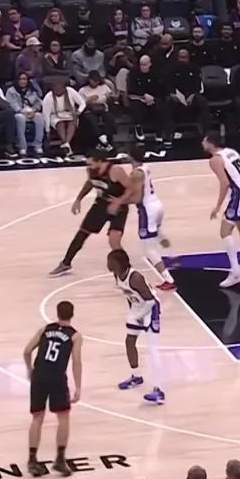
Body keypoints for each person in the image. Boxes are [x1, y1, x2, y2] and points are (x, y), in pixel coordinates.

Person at [23, 299, 83, 478]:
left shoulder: (45, 329)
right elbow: (76, 362)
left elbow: (27, 351)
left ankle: (32, 460)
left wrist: (30, 369)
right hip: (57, 377)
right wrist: (78, 387)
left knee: (37, 417)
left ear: (57, 313)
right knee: (63, 417)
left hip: (39, 375)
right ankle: (60, 459)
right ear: (72, 314)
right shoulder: (75, 335)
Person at [49, 148, 132, 277]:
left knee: (114, 240)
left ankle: (125, 270)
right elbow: (90, 183)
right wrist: (78, 199)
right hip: (101, 204)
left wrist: (119, 201)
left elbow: (131, 188)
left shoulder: (115, 171)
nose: (88, 166)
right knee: (82, 234)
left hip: (119, 206)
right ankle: (65, 263)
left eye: (91, 163)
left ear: (100, 161)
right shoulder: (91, 170)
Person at [109, 249, 165, 404]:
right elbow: (129, 296)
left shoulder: (135, 278)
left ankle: (159, 391)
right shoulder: (117, 275)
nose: (107, 264)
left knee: (152, 349)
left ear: (118, 263)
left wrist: (139, 317)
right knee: (129, 342)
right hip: (137, 306)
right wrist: (133, 314)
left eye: (110, 261)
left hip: (150, 308)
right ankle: (136, 376)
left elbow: (151, 300)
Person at [204, 133, 240, 288]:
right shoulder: (231, 151)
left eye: (204, 141)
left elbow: (225, 183)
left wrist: (218, 206)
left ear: (210, 143)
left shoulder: (215, 160)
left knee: (225, 231)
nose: (202, 143)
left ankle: (235, 272)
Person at [128, 147, 176, 291]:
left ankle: (168, 279)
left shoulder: (136, 173)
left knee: (149, 250)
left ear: (130, 157)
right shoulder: (145, 168)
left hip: (148, 210)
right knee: (159, 232)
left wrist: (119, 202)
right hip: (157, 205)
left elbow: (137, 198)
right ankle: (173, 255)